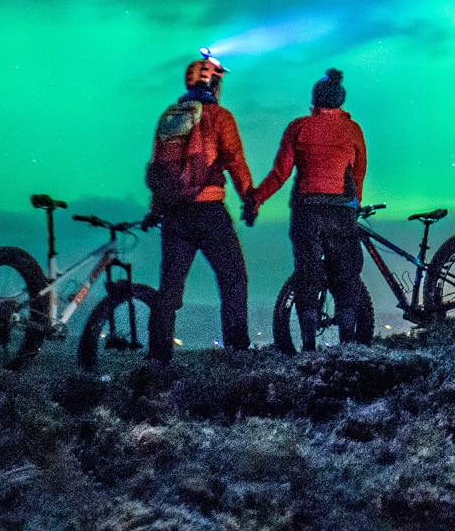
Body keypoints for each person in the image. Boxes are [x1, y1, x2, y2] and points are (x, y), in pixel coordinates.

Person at [142, 52, 256, 363]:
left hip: (173, 213)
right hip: (208, 211)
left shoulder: (170, 116)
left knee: (170, 289)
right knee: (233, 277)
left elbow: (160, 165)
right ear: (214, 83)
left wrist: (156, 208)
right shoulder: (221, 118)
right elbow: (235, 161)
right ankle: (237, 352)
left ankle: (158, 358)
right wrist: (250, 200)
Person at [248, 67, 368, 349]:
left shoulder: (299, 127)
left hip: (307, 211)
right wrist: (355, 203)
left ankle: (309, 345)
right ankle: (348, 345)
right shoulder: (353, 130)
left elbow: (280, 173)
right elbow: (358, 173)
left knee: (308, 274)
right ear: (341, 100)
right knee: (346, 275)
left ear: (315, 101)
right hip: (341, 211)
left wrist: (257, 198)